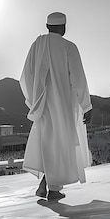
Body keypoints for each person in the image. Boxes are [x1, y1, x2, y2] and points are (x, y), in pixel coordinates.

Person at [20, 12, 93, 201]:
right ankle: (52, 188)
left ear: (47, 26)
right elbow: (79, 79)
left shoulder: (37, 45)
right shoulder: (69, 47)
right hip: (63, 105)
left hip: (42, 105)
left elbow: (25, 76)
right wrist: (86, 105)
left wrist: (34, 100)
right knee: (60, 145)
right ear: (64, 27)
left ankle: (45, 184)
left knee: (46, 143)